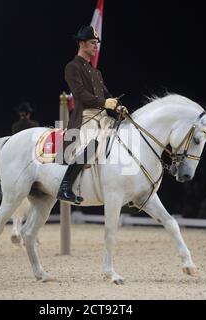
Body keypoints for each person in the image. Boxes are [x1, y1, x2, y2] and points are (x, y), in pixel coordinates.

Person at [57, 25, 125, 204]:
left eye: (97, 43)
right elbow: (80, 94)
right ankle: (65, 186)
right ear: (82, 44)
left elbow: (106, 94)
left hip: (103, 116)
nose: (96, 46)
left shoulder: (96, 72)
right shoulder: (72, 67)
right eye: (93, 43)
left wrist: (117, 106)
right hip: (86, 116)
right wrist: (104, 103)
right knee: (92, 145)